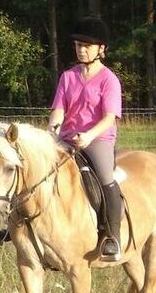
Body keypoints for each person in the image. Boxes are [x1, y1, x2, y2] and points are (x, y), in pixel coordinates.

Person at [48, 16, 124, 262]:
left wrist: (89, 136)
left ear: (101, 49)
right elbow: (58, 110)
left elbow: (109, 117)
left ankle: (111, 236)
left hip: (98, 139)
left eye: (87, 46)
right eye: (79, 45)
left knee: (105, 177)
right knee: (35, 168)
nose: (81, 49)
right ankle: (15, 226)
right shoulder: (67, 77)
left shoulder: (109, 80)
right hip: (68, 138)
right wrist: (52, 132)